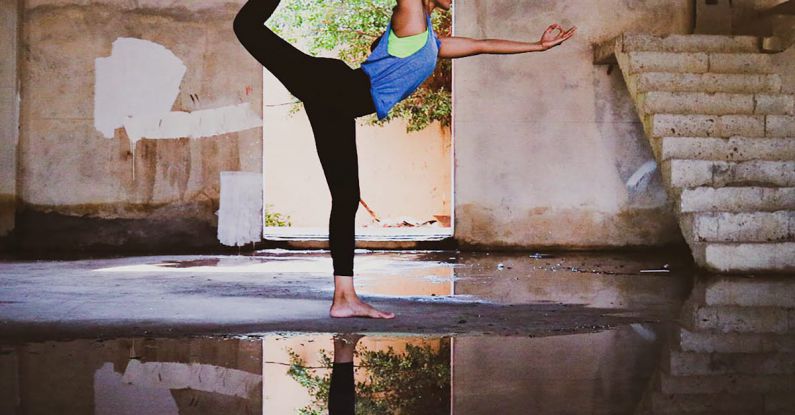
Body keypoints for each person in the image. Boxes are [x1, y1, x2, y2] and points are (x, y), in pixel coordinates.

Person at [233, 0, 576, 319]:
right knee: (246, 27)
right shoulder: (411, 18)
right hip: (334, 88)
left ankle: (344, 298)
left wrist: (537, 45)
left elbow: (484, 44)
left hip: (336, 98)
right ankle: (344, 297)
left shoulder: (431, 42)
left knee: (346, 198)